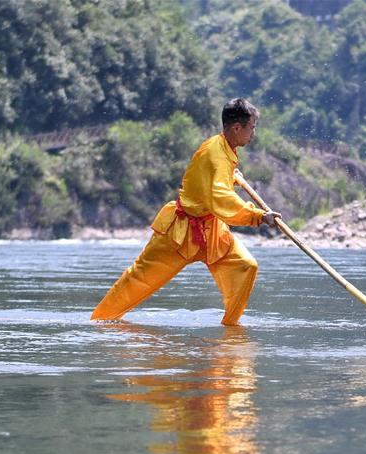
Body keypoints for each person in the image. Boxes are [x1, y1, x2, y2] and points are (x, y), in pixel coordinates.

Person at [91, 98, 281, 325]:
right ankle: (100, 321)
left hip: (211, 231)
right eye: (252, 127)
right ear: (237, 128)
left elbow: (209, 182)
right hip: (180, 232)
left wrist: (232, 176)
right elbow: (220, 197)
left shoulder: (224, 148)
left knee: (245, 266)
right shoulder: (215, 153)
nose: (254, 133)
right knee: (139, 278)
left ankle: (231, 327)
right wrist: (258, 216)